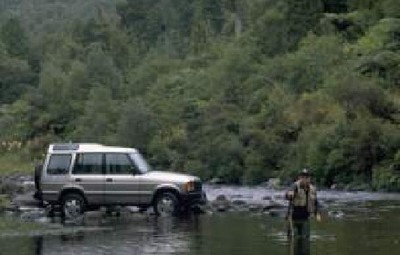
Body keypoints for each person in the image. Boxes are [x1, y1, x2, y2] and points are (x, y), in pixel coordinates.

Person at [285, 169, 321, 238]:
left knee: (305, 239)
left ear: (309, 178)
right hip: (293, 218)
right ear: (299, 178)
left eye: (307, 177)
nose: (305, 179)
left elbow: (316, 202)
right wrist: (289, 194)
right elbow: (287, 195)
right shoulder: (295, 186)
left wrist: (317, 214)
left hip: (305, 217)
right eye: (303, 177)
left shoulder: (312, 189)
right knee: (292, 239)